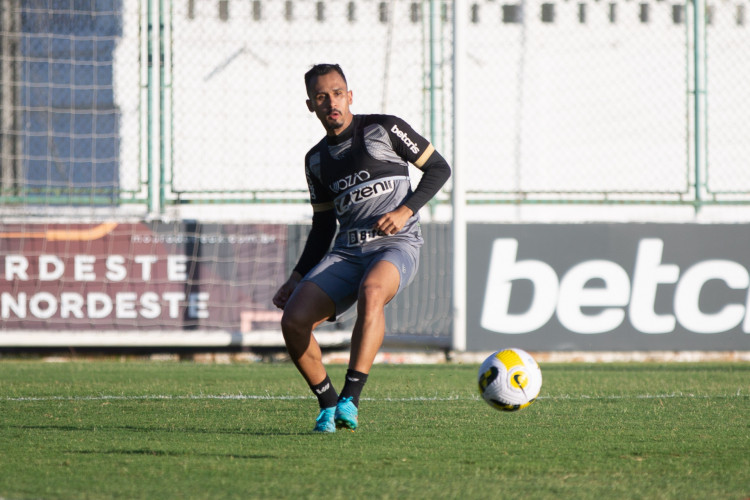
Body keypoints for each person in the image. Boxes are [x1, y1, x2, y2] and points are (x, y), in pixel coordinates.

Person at [272, 63, 451, 433]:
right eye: (321, 97)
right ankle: (327, 404)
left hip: (396, 244)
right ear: (311, 105)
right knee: (293, 319)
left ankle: (351, 399)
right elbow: (323, 227)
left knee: (373, 291)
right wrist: (296, 276)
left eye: (337, 93)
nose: (331, 102)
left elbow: (438, 168)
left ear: (349, 96)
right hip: (347, 253)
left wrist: (404, 211)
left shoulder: (383, 128)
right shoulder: (316, 160)